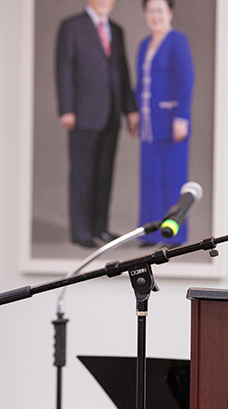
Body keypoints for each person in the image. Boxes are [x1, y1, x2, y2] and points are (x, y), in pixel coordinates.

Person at [56, 0, 139, 248]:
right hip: (83, 114)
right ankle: (81, 231)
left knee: (104, 175)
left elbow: (122, 73)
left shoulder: (116, 29)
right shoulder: (72, 26)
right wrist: (66, 109)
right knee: (83, 174)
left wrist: (130, 109)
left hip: (111, 114)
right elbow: (64, 69)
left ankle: (100, 229)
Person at [135, 0, 195, 246]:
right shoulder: (143, 45)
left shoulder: (177, 40)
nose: (155, 16)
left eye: (160, 10)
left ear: (170, 12)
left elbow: (186, 80)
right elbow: (139, 85)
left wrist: (182, 117)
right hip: (149, 126)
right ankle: (150, 234)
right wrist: (133, 114)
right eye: (151, 11)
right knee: (150, 180)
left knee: (172, 179)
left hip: (172, 125)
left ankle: (174, 235)